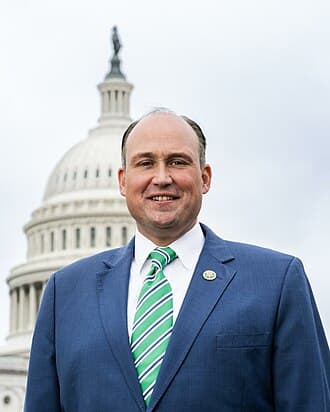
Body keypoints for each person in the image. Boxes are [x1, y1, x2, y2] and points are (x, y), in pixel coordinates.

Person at [24, 109, 330, 411]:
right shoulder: (64, 294)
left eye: (177, 162)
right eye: (145, 163)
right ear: (122, 181)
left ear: (205, 178)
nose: (161, 178)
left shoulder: (275, 282)